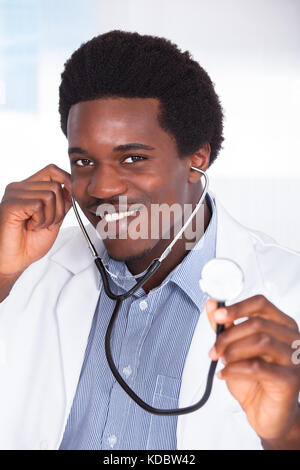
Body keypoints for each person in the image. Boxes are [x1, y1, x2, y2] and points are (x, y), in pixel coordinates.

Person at [0, 30, 299, 451]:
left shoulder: (288, 292)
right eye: (83, 161)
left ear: (197, 158)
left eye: (133, 158)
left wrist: (287, 434)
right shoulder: (28, 268)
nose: (101, 187)